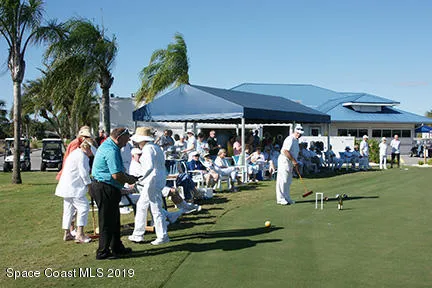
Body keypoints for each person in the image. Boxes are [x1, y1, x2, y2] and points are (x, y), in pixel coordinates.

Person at [91, 127, 138, 260]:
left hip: (106, 186)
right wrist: (130, 179)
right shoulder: (111, 150)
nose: (127, 141)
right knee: (106, 220)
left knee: (114, 219)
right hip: (104, 186)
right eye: (126, 138)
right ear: (119, 138)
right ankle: (103, 251)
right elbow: (116, 175)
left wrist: (127, 177)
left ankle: (116, 247)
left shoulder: (110, 146)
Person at [128, 127, 170, 245]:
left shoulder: (147, 149)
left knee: (155, 208)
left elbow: (149, 167)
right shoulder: (156, 147)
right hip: (158, 179)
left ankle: (162, 236)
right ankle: (138, 234)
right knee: (143, 205)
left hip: (152, 180)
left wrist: (138, 178)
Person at [55, 140, 94, 243]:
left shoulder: (75, 153)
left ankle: (67, 233)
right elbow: (84, 174)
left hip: (67, 187)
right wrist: (90, 186)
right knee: (84, 207)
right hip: (74, 188)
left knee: (68, 209)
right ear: (89, 149)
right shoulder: (82, 156)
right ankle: (80, 234)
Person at [276, 124, 304, 205]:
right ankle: (280, 199)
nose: (299, 135)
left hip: (290, 161)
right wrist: (294, 160)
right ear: (295, 131)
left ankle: (287, 198)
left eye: (301, 133)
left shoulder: (296, 140)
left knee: (288, 180)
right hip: (284, 160)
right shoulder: (290, 139)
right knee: (283, 180)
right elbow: (285, 151)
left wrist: (294, 161)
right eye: (298, 133)